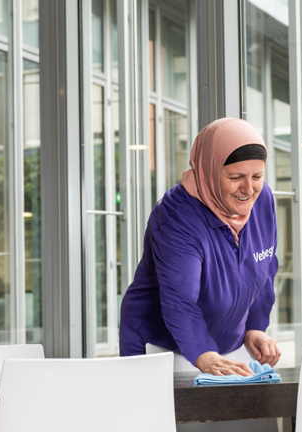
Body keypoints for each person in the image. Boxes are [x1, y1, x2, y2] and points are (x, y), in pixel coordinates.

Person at [119, 117, 281, 376]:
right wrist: (203, 353)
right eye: (235, 177)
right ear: (208, 169)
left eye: (258, 176)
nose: (248, 189)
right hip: (160, 346)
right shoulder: (176, 216)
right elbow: (179, 298)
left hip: (223, 345)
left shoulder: (263, 201)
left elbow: (263, 267)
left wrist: (255, 326)